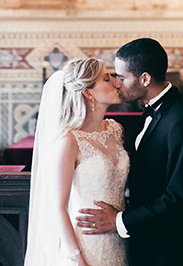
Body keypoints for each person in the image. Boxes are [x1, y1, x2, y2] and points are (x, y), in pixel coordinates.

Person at [77, 38, 183, 266]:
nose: (117, 83)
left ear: (145, 78)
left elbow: (180, 197)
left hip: (175, 251)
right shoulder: (150, 109)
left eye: (122, 77)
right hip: (149, 244)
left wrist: (119, 221)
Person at [25, 58, 128, 266]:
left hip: (118, 236)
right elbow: (58, 207)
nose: (116, 82)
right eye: (106, 79)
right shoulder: (68, 141)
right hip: (87, 244)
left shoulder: (116, 130)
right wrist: (77, 258)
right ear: (88, 92)